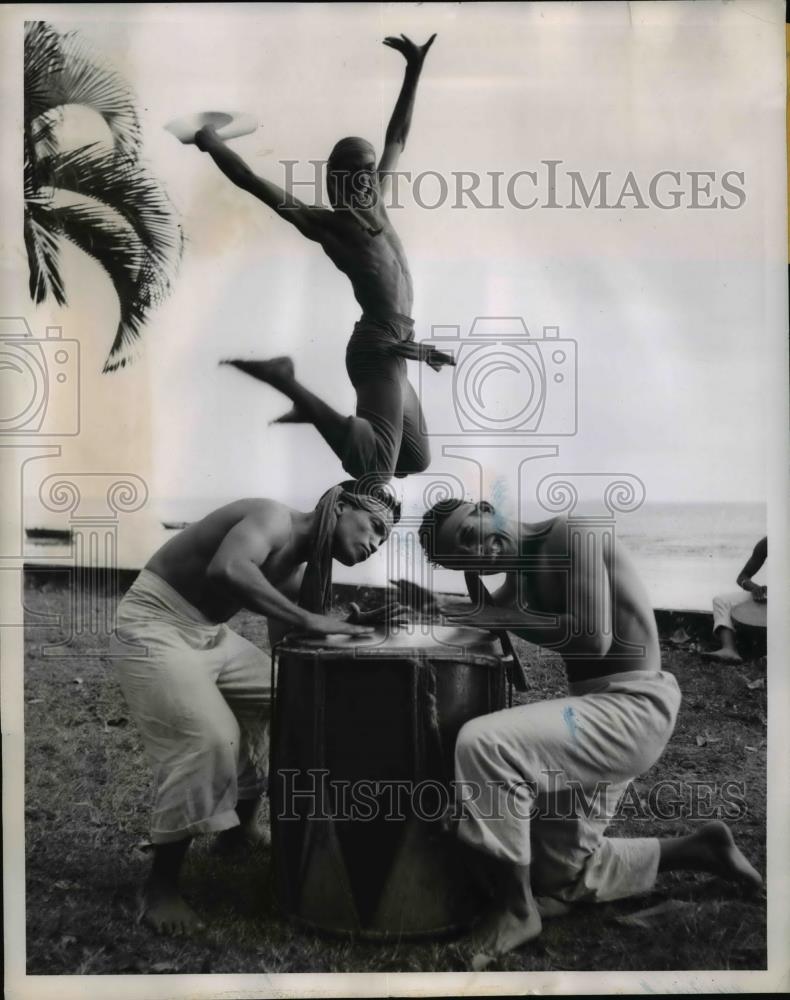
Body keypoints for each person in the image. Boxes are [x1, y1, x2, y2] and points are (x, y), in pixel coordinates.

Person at [418, 498, 763, 960]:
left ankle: (516, 910)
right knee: (557, 876)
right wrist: (419, 609)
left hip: (633, 708)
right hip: (593, 714)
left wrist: (494, 615)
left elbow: (592, 635)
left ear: (486, 508)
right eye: (465, 558)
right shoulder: (518, 572)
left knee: (484, 743)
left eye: (469, 534)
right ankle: (700, 849)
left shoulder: (573, 533)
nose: (479, 552)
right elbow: (479, 617)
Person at [112, 482, 405, 935]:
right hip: (154, 623)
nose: (374, 545)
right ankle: (160, 887)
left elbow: (287, 645)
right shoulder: (273, 518)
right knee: (209, 739)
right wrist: (311, 618)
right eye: (375, 528)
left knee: (285, 693)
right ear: (342, 504)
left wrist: (349, 624)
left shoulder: (299, 567)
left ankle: (237, 832)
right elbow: (226, 568)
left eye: (383, 541)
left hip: (208, 633)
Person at [193, 32, 454, 484]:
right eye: (356, 173)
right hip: (377, 348)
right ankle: (291, 386)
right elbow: (252, 182)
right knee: (375, 470)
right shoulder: (330, 225)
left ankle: (321, 419)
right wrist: (209, 140)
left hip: (396, 341)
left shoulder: (379, 204)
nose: (367, 180)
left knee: (414, 458)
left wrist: (414, 69)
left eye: (369, 171)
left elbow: (398, 135)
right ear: (339, 182)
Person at [703, 537, 767, 664]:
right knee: (721, 600)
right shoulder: (767, 543)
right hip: (773, 595)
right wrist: (755, 588)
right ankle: (729, 649)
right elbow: (742, 577)